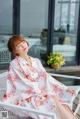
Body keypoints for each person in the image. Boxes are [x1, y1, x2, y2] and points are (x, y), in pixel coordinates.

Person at [3, 35, 76, 119]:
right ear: (15, 51)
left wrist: (65, 88)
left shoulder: (36, 61)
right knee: (52, 99)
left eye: (23, 42)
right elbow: (23, 84)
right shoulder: (14, 64)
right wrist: (42, 93)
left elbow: (46, 77)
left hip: (41, 92)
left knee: (60, 100)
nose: (23, 46)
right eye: (19, 46)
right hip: (26, 96)